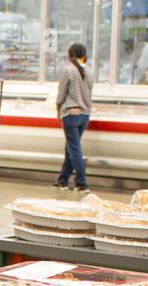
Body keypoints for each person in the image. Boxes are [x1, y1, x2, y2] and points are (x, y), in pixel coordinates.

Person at [55, 43, 93, 193]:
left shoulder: (68, 70)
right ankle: (62, 180)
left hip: (71, 114)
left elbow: (61, 93)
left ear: (70, 56)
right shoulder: (90, 71)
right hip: (85, 114)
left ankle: (81, 183)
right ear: (84, 55)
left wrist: (58, 108)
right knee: (70, 147)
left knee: (74, 149)